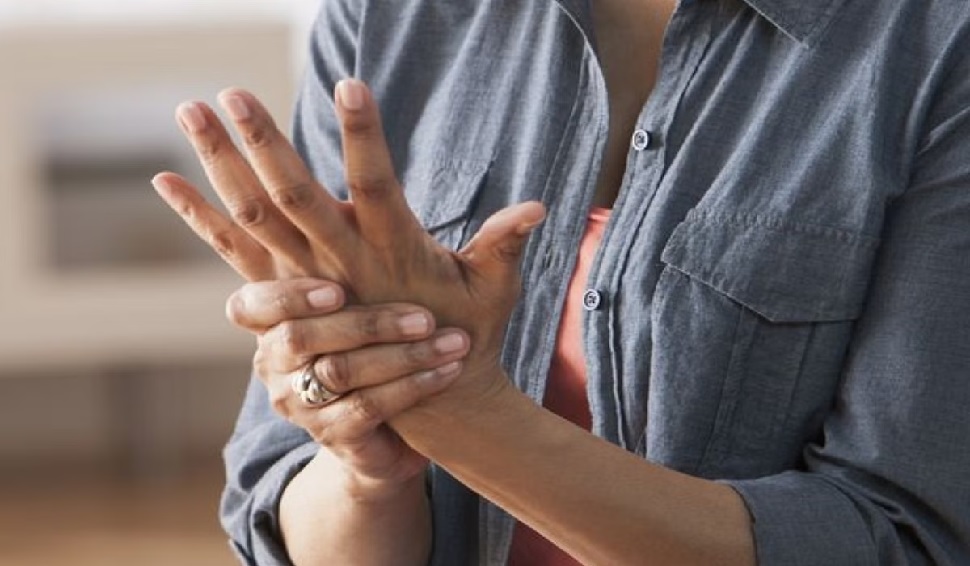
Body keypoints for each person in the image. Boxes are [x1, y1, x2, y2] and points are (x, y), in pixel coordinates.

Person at [152, 0, 970, 564]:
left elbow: (907, 540)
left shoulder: (940, 41)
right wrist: (366, 466)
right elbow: (282, 511)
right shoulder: (390, 17)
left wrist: (464, 415)